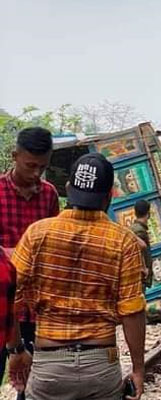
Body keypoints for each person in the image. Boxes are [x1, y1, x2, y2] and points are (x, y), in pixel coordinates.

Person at [8, 153, 145, 400]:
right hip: (101, 366)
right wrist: (138, 369)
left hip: (49, 366)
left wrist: (17, 349)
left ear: (69, 189)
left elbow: (8, 295)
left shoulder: (37, 234)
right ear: (109, 196)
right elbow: (132, 312)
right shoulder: (123, 242)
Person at [0, 127, 59, 398]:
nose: (36, 173)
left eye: (42, 167)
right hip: (1, 303)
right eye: (30, 165)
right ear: (15, 156)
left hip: (33, 306)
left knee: (31, 380)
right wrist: (10, 253)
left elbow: (54, 243)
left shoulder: (49, 195)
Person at [130, 199, 154, 288]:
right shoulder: (139, 231)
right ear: (148, 213)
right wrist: (145, 268)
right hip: (141, 276)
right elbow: (139, 251)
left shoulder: (134, 228)